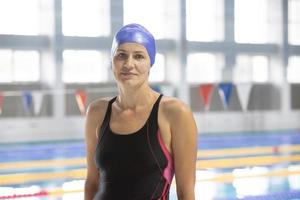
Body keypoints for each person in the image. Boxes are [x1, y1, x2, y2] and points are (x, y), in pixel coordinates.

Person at [84, 23, 197, 200]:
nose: (129, 64)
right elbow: (92, 183)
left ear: (150, 62)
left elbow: (186, 192)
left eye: (139, 56)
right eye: (121, 55)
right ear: (112, 61)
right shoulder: (97, 112)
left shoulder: (175, 113)